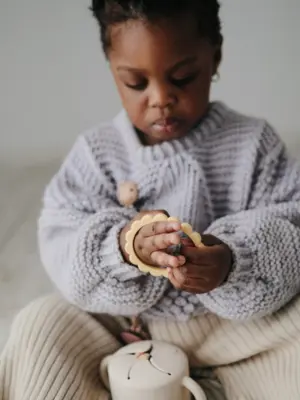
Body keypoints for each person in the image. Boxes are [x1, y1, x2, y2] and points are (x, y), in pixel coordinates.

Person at [1, 1, 300, 399]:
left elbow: (291, 222)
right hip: (120, 328)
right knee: (38, 325)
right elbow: (61, 236)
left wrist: (231, 259)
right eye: (136, 83)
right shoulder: (97, 153)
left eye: (183, 77)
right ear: (112, 69)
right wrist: (122, 249)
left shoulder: (253, 144)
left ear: (215, 57)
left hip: (233, 330)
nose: (160, 98)